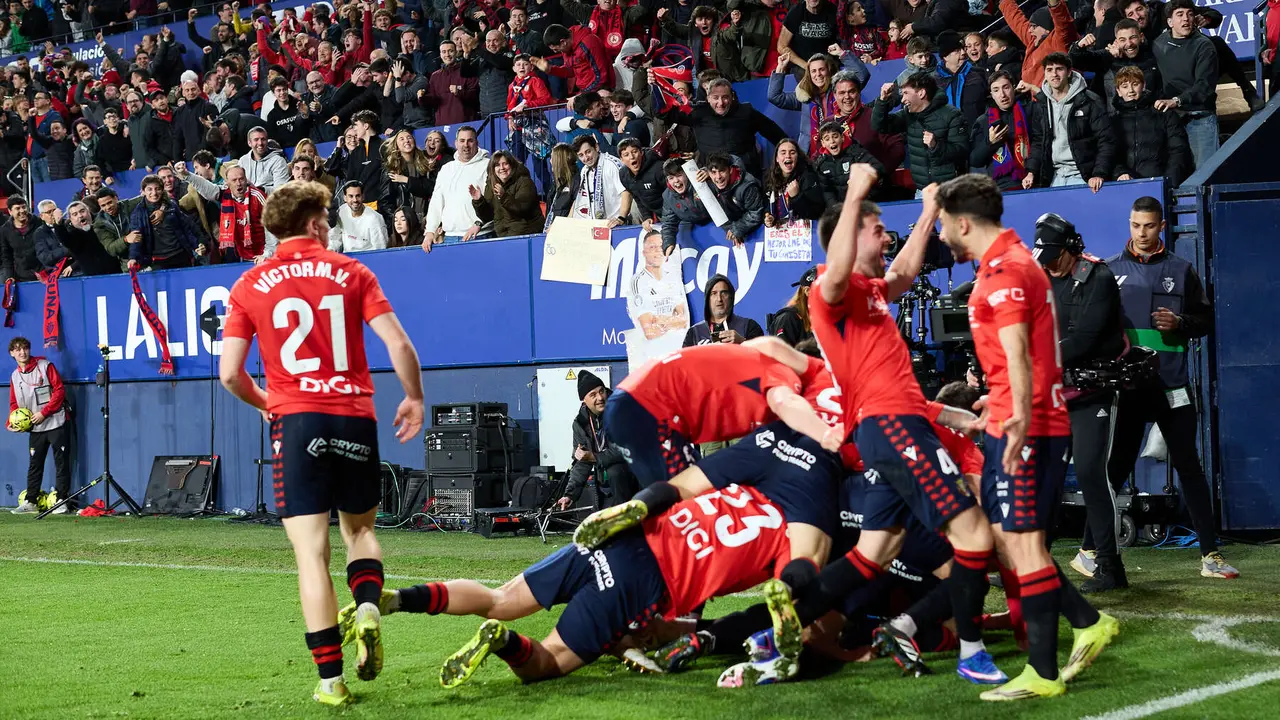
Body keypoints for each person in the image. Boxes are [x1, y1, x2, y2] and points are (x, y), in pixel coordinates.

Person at [218, 179, 425, 707]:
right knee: (359, 533)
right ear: (313, 224)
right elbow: (398, 342)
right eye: (327, 220)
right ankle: (370, 605)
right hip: (353, 416)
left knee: (311, 555)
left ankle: (332, 682)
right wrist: (413, 398)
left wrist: (272, 404)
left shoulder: (249, 284)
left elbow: (230, 375)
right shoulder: (352, 271)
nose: (330, 228)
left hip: (297, 423)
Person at [800, 169, 1005, 692]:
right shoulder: (830, 291)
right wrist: (852, 194)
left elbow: (905, 274)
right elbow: (840, 267)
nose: (885, 237)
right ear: (847, 237)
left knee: (878, 549)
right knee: (977, 536)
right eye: (876, 229)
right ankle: (967, 651)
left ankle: (781, 621)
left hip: (894, 426)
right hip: (892, 428)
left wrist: (928, 211)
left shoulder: (868, 291)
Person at [934, 173, 1118, 700]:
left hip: (1028, 427)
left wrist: (1014, 415)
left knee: (1023, 544)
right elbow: (1025, 354)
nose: (942, 231)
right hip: (1018, 418)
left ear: (962, 222)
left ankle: (1043, 670)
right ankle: (1085, 623)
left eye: (945, 221)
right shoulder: (1007, 265)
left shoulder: (1007, 272)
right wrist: (1001, 400)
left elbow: (1018, 352)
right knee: (1014, 543)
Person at [1099, 196, 1237, 580]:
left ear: (1162, 226)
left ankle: (1211, 555)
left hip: (1172, 385)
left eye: (1149, 226)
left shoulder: (1182, 269)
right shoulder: (1109, 272)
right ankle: (1090, 549)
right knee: (1113, 471)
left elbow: (1205, 320)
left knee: (1189, 467)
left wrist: (1179, 322)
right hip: (1128, 388)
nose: (1141, 233)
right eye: (1135, 225)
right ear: (1130, 224)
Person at [1030, 213, 1128, 592]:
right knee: (1045, 478)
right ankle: (1032, 562)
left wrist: (1031, 360)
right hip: (1054, 393)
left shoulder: (1098, 278)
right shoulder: (1041, 277)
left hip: (1092, 392)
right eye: (1045, 256)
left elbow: (1085, 339)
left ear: (1071, 249)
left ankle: (1109, 566)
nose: (1049, 263)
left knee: (1090, 473)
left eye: (1055, 255)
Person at [602, 342, 842, 489]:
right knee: (689, 503)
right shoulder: (780, 374)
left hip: (630, 404)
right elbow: (786, 401)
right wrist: (827, 435)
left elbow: (769, 345)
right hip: (650, 411)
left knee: (685, 493)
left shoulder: (756, 358)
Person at [1025, 53, 1114, 192]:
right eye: (1049, 70)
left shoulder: (1090, 101)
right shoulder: (1041, 104)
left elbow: (1106, 140)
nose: (1054, 74)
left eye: (1059, 69)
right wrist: (1031, 171)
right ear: (1045, 74)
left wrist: (1098, 174)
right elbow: (1039, 141)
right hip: (1054, 177)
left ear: (1069, 72)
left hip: (1084, 177)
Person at [555, 370, 639, 511]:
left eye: (601, 391)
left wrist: (594, 457)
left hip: (635, 472)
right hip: (608, 482)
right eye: (593, 395)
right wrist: (570, 495)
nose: (600, 397)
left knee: (615, 470)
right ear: (584, 400)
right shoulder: (580, 423)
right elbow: (582, 462)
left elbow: (627, 449)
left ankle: (625, 521)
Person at [871, 73, 968, 195]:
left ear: (921, 93)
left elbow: (962, 151)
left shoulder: (952, 115)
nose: (902, 100)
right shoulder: (908, 115)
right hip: (922, 191)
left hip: (950, 190)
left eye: (906, 93)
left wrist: (936, 145)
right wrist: (882, 101)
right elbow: (879, 126)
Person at [1151, 0, 1219, 170]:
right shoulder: (1158, 44)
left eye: (1189, 14)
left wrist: (1177, 100)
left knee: (1205, 175)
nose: (1186, 19)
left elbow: (1204, 86)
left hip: (1200, 118)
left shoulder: (1204, 45)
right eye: (1180, 15)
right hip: (1172, 120)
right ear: (1169, 22)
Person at [8, 337, 73, 515]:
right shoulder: (15, 376)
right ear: (12, 353)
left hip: (56, 422)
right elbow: (14, 404)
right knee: (35, 464)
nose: (22, 352)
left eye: (25, 348)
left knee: (61, 463)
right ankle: (31, 501)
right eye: (18, 350)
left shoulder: (45, 366)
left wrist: (44, 413)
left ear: (29, 350)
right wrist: (12, 423)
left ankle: (61, 500)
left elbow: (59, 390)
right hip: (35, 429)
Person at [176, 162, 272, 264]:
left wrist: (267, 254)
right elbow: (209, 189)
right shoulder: (225, 193)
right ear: (227, 183)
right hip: (240, 252)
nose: (238, 183)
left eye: (241, 179)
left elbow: (272, 227)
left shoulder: (257, 197)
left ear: (246, 179)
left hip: (262, 255)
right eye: (234, 180)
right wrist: (187, 175)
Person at [1110, 66, 1191, 186]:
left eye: (1135, 84)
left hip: (1160, 183)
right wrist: (1119, 173)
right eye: (1125, 86)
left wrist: (1168, 182)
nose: (1131, 90)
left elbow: (1178, 151)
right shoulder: (1113, 121)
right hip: (1125, 186)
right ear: (1118, 91)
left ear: (1144, 85)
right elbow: (1109, 154)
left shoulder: (1164, 114)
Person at [422, 126, 492, 247]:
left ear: (477, 143)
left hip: (480, 235)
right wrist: (430, 232)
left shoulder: (488, 165)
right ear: (455, 143)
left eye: (470, 140)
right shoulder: (446, 168)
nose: (466, 145)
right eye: (462, 141)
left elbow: (493, 201)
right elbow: (436, 202)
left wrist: (480, 224)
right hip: (450, 237)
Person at [969, 70, 1033, 191]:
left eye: (1006, 87)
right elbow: (975, 160)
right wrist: (989, 143)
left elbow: (1039, 144)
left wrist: (1032, 171)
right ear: (991, 94)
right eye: (996, 90)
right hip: (1000, 186)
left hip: (1030, 178)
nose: (1002, 94)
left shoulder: (1029, 111)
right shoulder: (983, 121)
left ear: (1013, 88)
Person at [127, 174, 207, 270]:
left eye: (157, 189)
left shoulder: (172, 205)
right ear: (143, 191)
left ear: (162, 190)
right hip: (157, 260)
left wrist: (199, 243)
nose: (154, 193)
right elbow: (136, 237)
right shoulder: (138, 213)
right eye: (149, 189)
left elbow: (187, 226)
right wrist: (133, 258)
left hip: (181, 255)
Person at [998, 0, 1076, 89]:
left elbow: (1061, 17)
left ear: (1047, 29)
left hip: (1057, 100)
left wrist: (1054, 3)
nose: (1030, 30)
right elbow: (1016, 20)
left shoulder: (1060, 40)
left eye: (1034, 26)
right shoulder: (1034, 41)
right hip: (1035, 101)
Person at [469, 150, 545, 238]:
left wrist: (504, 197)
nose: (502, 168)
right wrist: (479, 201)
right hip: (503, 236)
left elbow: (522, 209)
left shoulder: (524, 182)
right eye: (497, 165)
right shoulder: (491, 185)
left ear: (512, 165)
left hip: (526, 236)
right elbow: (488, 216)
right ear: (493, 169)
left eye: (505, 164)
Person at [683, 275, 765, 347]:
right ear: (708, 299)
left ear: (731, 298)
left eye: (724, 293)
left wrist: (742, 342)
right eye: (714, 293)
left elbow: (763, 357)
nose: (719, 299)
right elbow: (683, 363)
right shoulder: (694, 332)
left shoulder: (749, 326)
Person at [568, 135, 631, 226]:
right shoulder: (585, 171)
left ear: (596, 147)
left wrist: (621, 218)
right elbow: (580, 200)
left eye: (588, 152)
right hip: (598, 225)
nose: (586, 158)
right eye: (581, 155)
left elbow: (626, 192)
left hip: (617, 224)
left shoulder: (612, 164)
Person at [705, 153, 766, 246]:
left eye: (722, 171)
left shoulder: (748, 185)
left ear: (730, 170)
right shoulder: (709, 183)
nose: (718, 177)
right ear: (708, 173)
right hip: (735, 223)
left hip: (758, 229)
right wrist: (731, 229)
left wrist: (737, 228)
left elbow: (755, 212)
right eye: (713, 172)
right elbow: (716, 211)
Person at [535, 23, 612, 94]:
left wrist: (582, 95)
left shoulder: (589, 42)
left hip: (602, 89)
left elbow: (601, 76)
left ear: (563, 42)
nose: (556, 52)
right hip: (586, 91)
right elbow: (570, 71)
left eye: (556, 49)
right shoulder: (567, 47)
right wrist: (550, 69)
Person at [656, 159, 712, 253]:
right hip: (700, 230)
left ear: (687, 174)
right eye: (671, 178)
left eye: (679, 175)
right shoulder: (668, 196)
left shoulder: (702, 179)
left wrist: (710, 173)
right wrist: (668, 243)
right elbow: (669, 223)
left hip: (722, 225)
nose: (676, 181)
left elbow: (733, 161)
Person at [330, 181, 390, 253]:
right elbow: (335, 237)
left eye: (358, 196)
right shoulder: (341, 212)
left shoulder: (375, 218)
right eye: (351, 196)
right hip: (348, 258)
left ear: (363, 197)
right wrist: (329, 250)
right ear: (345, 198)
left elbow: (380, 249)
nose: (355, 200)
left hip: (368, 259)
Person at [617, 139, 666, 223]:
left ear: (641, 152)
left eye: (634, 152)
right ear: (621, 159)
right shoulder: (623, 175)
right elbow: (638, 197)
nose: (631, 157)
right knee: (634, 209)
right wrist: (647, 217)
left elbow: (673, 196)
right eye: (626, 155)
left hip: (671, 211)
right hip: (654, 210)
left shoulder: (659, 168)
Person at [768, 266, 817, 346]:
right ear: (808, 291)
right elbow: (781, 355)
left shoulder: (833, 316)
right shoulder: (788, 318)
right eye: (826, 288)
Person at [1, 196, 43, 284]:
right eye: (17, 208)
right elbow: (6, 256)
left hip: (43, 273)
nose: (22, 211)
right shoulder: (4, 230)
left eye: (24, 207)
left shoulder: (39, 223)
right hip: (20, 277)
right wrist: (9, 276)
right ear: (10, 211)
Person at [239, 126, 291, 194]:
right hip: (246, 202)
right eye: (256, 139)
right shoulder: (243, 161)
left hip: (269, 202)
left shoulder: (278, 161)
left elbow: (281, 191)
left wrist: (259, 189)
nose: (260, 143)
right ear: (249, 143)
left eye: (263, 139)